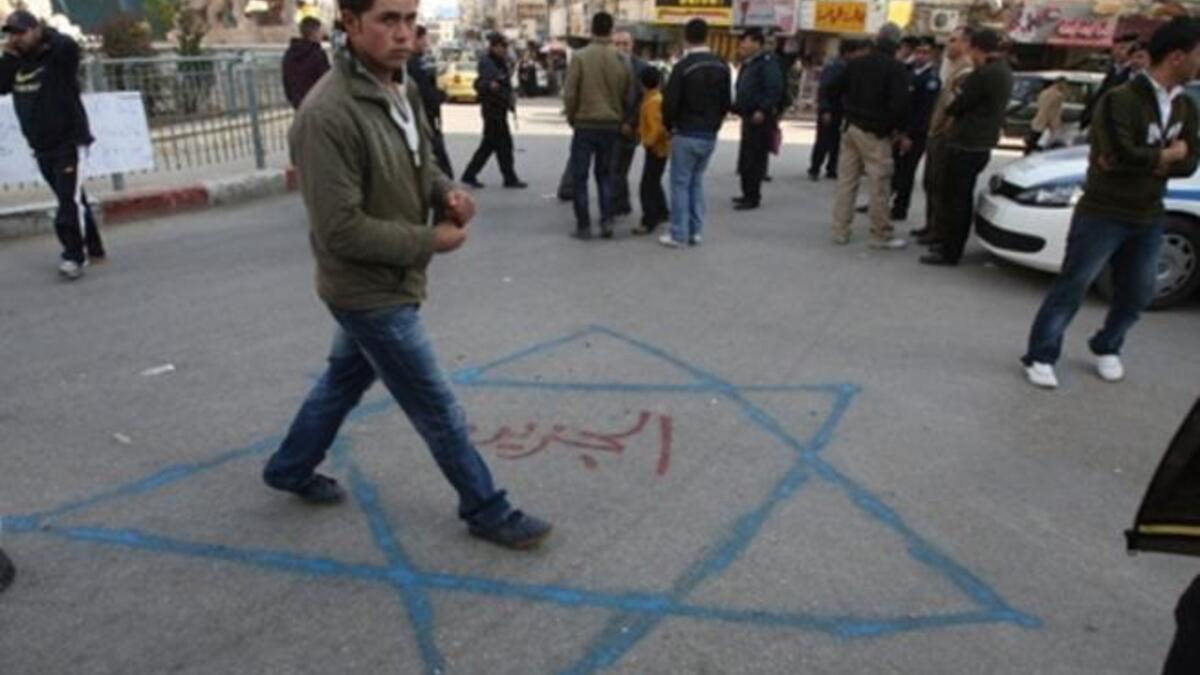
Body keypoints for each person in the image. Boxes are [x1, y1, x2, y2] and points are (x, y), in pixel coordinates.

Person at [263, 0, 552, 550]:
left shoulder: (402, 88)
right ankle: (486, 508)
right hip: (367, 290)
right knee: (437, 405)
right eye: (387, 20)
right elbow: (340, 231)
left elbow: (423, 163)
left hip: (392, 279)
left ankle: (290, 467)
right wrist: (430, 240)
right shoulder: (326, 115)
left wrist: (447, 192)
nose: (403, 34)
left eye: (410, 21)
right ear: (350, 25)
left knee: (344, 379)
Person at [1020, 17, 1200, 389]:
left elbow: (1190, 160)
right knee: (1072, 286)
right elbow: (1117, 156)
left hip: (1149, 213)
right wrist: (1165, 157)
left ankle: (1108, 345)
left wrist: (1159, 158)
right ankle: (1041, 353)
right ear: (1178, 56)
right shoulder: (1122, 99)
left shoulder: (1185, 107)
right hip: (1104, 212)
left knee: (1138, 292)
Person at [0, 10, 106, 280]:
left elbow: (70, 47)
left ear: (35, 30)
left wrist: (44, 35)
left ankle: (73, 256)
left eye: (22, 33)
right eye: (12, 35)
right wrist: (10, 57)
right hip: (40, 143)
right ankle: (94, 247)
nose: (17, 39)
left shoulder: (57, 55)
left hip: (68, 139)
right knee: (69, 195)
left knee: (67, 201)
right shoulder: (16, 62)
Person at [919, 28, 1012, 266]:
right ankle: (947, 243)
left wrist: (954, 102)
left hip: (967, 143)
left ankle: (950, 250)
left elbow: (957, 105)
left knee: (956, 200)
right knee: (957, 197)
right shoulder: (1003, 71)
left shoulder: (985, 74)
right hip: (979, 143)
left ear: (976, 49)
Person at [828, 23, 911, 250]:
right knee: (879, 184)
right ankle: (879, 234)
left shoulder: (856, 64)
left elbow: (832, 88)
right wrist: (895, 129)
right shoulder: (896, 69)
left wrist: (846, 109)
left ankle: (840, 229)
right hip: (875, 133)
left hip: (850, 127)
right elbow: (900, 105)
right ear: (896, 44)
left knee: (846, 181)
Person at [659, 18, 731, 249]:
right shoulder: (722, 65)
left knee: (680, 183)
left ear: (686, 38)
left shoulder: (683, 67)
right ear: (707, 36)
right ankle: (695, 230)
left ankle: (679, 233)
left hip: (686, 131)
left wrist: (670, 127)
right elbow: (726, 102)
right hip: (709, 134)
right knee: (697, 181)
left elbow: (670, 103)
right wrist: (715, 125)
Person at [562, 12, 630, 240]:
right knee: (605, 175)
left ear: (591, 29)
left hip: (585, 123)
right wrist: (621, 118)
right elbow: (628, 94)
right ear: (611, 30)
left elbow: (570, 93)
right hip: (611, 125)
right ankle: (607, 220)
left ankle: (583, 225)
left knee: (580, 176)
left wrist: (573, 117)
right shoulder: (620, 59)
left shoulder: (580, 57)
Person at [915, 25, 973, 244]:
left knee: (939, 185)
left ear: (966, 44)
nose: (949, 45)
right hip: (935, 132)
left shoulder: (965, 71)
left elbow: (954, 109)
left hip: (943, 136)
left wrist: (942, 132)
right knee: (930, 182)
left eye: (954, 40)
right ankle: (930, 225)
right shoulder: (951, 67)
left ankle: (938, 230)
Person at [461, 32, 526, 189]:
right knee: (500, 145)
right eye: (502, 46)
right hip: (492, 109)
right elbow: (483, 83)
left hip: (499, 108)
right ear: (494, 46)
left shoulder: (499, 61)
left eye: (506, 46)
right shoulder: (487, 62)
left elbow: (504, 82)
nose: (505, 49)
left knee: (494, 145)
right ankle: (507, 177)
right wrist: (492, 86)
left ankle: (472, 174)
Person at [731, 28, 783, 211]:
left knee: (755, 157)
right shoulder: (750, 63)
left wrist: (763, 109)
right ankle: (746, 192)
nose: (742, 45)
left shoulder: (767, 62)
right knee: (746, 156)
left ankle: (753, 196)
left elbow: (774, 88)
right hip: (747, 115)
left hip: (759, 117)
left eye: (746, 41)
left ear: (757, 43)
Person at [890, 35, 940, 221]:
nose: (920, 56)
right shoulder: (908, 71)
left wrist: (908, 135)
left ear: (932, 55)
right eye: (918, 52)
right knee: (893, 169)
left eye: (925, 52)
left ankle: (900, 208)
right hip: (898, 130)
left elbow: (924, 112)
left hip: (915, 134)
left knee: (906, 172)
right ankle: (883, 201)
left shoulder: (931, 79)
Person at [609, 29, 646, 219]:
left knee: (621, 168)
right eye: (617, 44)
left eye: (625, 44)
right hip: (610, 125)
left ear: (632, 45)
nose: (622, 48)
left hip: (632, 127)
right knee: (613, 168)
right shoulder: (606, 66)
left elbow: (645, 99)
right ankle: (618, 205)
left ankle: (620, 204)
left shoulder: (641, 67)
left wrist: (631, 123)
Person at [408, 24, 453, 176]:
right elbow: (424, 93)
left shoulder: (418, 62)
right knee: (438, 162)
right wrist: (438, 97)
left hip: (426, 119)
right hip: (423, 120)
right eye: (423, 39)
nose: (426, 43)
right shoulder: (412, 64)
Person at [808, 41, 854, 181]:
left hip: (841, 109)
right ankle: (815, 168)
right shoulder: (834, 67)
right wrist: (825, 109)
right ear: (847, 53)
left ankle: (832, 168)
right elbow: (824, 89)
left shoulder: (847, 67)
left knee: (837, 140)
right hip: (830, 108)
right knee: (823, 140)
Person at [632, 66, 670, 235]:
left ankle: (649, 220)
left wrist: (647, 141)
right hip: (660, 147)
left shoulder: (652, 102)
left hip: (656, 148)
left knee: (647, 185)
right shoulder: (656, 98)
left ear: (641, 84)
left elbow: (657, 128)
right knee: (654, 181)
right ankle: (662, 212)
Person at [1080, 31, 1140, 129]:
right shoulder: (1113, 71)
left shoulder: (1131, 75)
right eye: (1116, 48)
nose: (1118, 52)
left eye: (1123, 48)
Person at [282, 16, 331, 109]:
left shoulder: (290, 54)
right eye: (320, 31)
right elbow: (327, 81)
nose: (322, 34)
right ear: (315, 33)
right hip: (318, 104)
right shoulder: (318, 54)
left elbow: (286, 81)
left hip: (298, 103)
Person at [1026, 76, 1066, 155]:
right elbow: (1053, 111)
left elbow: (1040, 105)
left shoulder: (1044, 92)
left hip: (1038, 120)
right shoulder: (1058, 96)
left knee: (1032, 142)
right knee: (1044, 145)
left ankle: (1027, 155)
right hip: (1047, 124)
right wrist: (1052, 124)